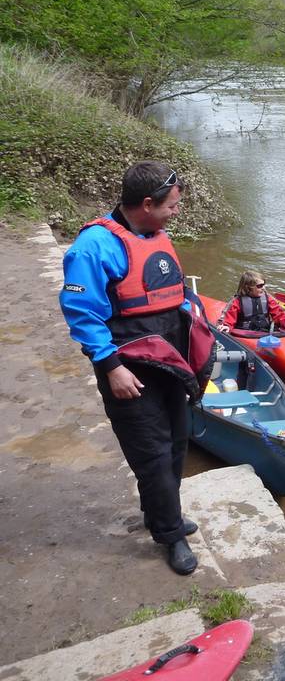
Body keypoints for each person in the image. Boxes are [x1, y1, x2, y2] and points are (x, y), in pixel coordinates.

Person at [59, 160, 215, 576]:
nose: (176, 212)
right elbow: (82, 313)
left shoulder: (156, 235)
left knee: (177, 446)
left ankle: (163, 514)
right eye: (172, 206)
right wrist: (110, 366)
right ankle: (170, 535)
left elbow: (174, 297)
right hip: (130, 370)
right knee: (153, 457)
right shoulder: (94, 247)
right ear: (146, 204)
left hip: (171, 364)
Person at [216, 271, 285, 333]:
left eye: (264, 284)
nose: (263, 288)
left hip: (265, 332)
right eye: (259, 286)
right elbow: (228, 317)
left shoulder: (268, 298)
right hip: (245, 333)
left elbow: (279, 313)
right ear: (248, 287)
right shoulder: (237, 301)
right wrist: (225, 326)